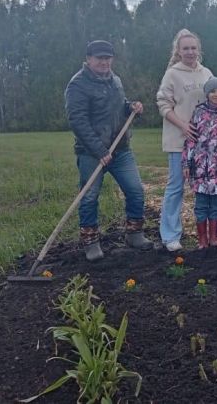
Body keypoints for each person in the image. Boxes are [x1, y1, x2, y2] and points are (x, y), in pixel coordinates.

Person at [65, 40, 153, 262]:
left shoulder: (115, 80)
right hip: (91, 153)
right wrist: (99, 150)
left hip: (121, 150)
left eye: (108, 58)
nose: (104, 62)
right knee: (89, 197)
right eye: (99, 58)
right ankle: (91, 242)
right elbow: (78, 121)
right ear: (88, 59)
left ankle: (134, 233)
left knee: (135, 190)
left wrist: (131, 107)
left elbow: (119, 105)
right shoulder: (77, 85)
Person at [156, 29, 217, 252]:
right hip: (181, 141)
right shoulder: (172, 74)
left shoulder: (206, 73)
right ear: (178, 50)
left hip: (211, 146)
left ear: (198, 50)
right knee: (176, 186)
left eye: (193, 48)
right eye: (185, 48)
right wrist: (183, 125)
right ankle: (170, 234)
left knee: (216, 183)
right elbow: (163, 105)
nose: (190, 52)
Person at [182, 77, 217, 249]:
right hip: (200, 167)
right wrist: (187, 163)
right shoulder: (198, 112)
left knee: (216, 204)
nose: (216, 94)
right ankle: (202, 239)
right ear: (207, 94)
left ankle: (214, 237)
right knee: (201, 204)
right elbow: (191, 140)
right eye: (212, 91)